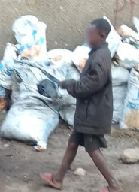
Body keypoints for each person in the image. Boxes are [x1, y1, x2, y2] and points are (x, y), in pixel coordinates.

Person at [41, 18, 122, 192]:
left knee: (92, 148)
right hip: (88, 110)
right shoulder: (98, 52)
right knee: (72, 143)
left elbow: (89, 86)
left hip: (93, 113)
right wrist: (70, 84)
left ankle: (114, 186)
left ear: (101, 36)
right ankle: (58, 179)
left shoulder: (100, 57)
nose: (87, 37)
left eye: (90, 34)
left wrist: (69, 84)